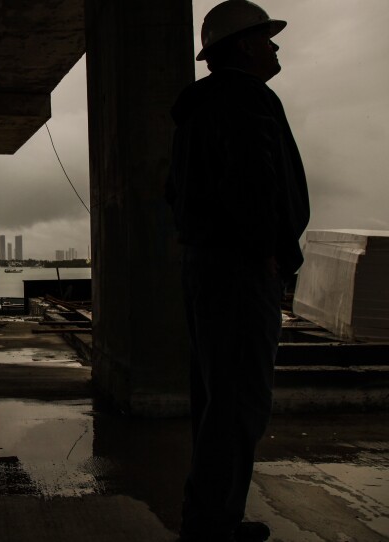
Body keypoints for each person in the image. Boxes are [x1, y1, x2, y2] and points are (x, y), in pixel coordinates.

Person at [165, 2, 310, 541]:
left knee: (216, 398)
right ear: (245, 45)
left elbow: (177, 193)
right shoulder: (247, 100)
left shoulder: (197, 110)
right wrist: (267, 249)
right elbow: (255, 180)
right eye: (267, 39)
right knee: (240, 402)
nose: (275, 48)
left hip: (210, 267)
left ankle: (208, 517)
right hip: (240, 268)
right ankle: (212, 526)